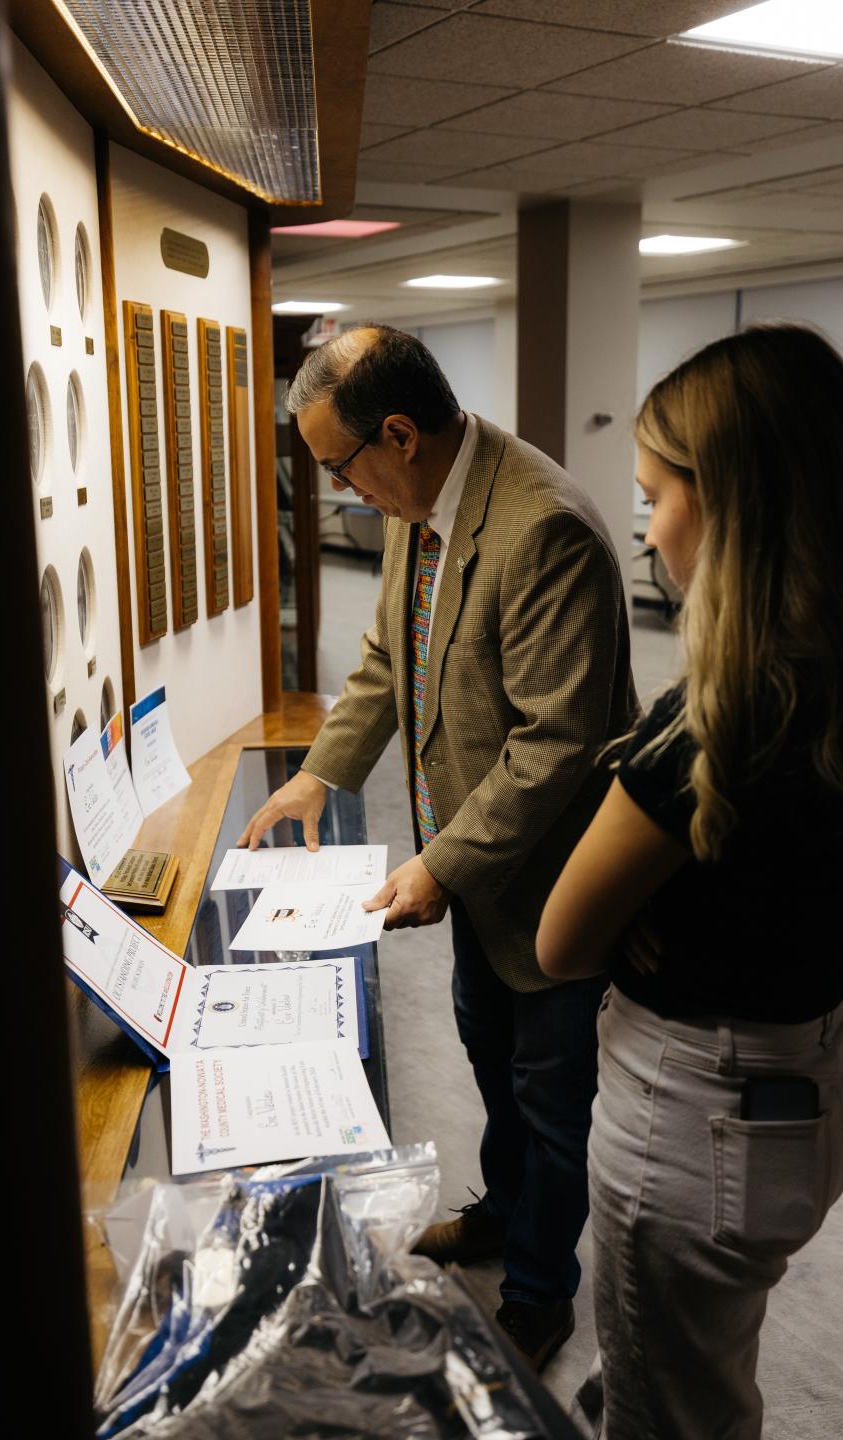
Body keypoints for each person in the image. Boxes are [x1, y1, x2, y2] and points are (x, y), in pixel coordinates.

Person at [238, 325, 636, 1368]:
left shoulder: (540, 527)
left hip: (550, 887)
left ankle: (543, 1290)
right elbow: (387, 661)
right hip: (472, 875)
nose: (340, 485)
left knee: (552, 1098)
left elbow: (559, 742)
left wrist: (439, 864)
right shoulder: (425, 501)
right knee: (493, 1064)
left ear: (400, 434)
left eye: (339, 464)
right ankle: (504, 1215)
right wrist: (321, 773)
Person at [536, 324, 843, 1439]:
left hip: (697, 1119)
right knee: (704, 1366)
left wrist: (642, 914)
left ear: (726, 505)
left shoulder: (717, 720)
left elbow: (563, 940)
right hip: (808, 1089)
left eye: (654, 494)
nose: (645, 528)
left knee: (670, 1411)